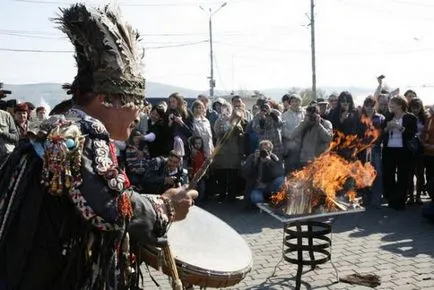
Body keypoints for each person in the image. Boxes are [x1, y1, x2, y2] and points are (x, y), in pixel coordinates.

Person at [0, 4, 197, 289]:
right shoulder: (81, 134)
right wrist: (166, 206)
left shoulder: (54, 126)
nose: (139, 114)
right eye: (136, 102)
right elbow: (112, 208)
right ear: (108, 98)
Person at [242, 140, 284, 205]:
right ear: (259, 150)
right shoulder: (252, 157)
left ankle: (274, 199)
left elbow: (279, 173)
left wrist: (270, 162)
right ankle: (265, 201)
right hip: (257, 188)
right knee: (256, 198)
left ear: (271, 151)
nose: (264, 152)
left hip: (269, 187)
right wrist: (254, 161)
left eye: (268, 150)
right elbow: (245, 173)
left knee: (281, 179)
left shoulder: (273, 157)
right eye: (262, 150)